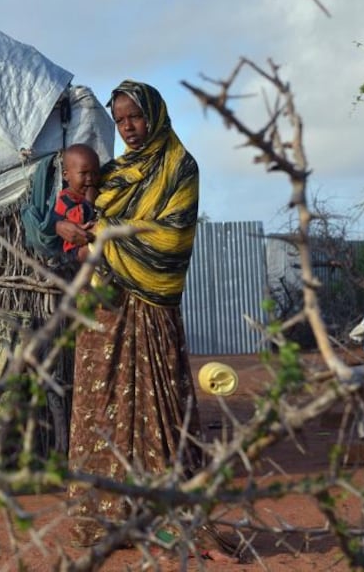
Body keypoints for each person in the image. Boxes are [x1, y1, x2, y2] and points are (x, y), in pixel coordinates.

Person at [56, 80, 238, 561]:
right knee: (101, 410)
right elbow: (61, 213)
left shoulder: (180, 168)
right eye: (119, 121)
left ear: (154, 113)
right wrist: (67, 226)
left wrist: (106, 236)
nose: (128, 128)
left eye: (134, 116)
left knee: (163, 411)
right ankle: (105, 520)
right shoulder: (110, 173)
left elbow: (172, 239)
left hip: (153, 308)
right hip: (106, 308)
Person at [53, 144, 99, 263]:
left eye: (95, 173)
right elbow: (79, 219)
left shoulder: (92, 189)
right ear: (66, 175)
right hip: (74, 249)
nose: (90, 178)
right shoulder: (66, 199)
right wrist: (89, 201)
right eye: (83, 173)